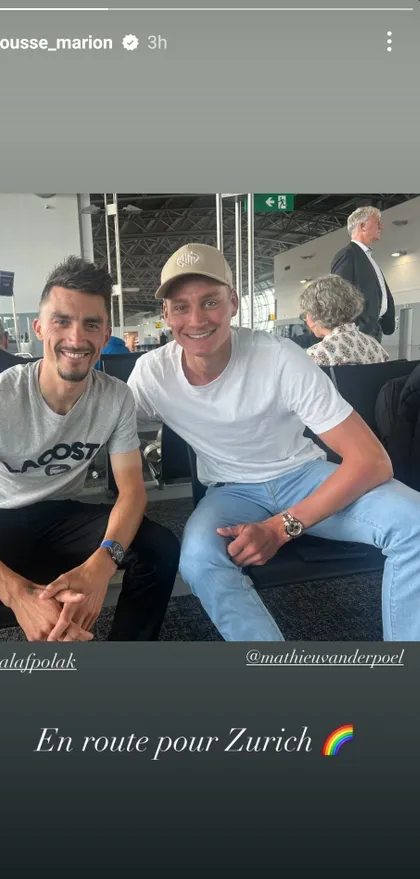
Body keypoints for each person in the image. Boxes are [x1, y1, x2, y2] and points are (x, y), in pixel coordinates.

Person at [127, 242, 420, 642]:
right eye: (180, 306)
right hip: (231, 493)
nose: (195, 320)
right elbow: (106, 425)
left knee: (414, 522)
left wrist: (282, 528)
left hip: (303, 475)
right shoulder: (151, 374)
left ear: (232, 302)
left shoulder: (278, 357)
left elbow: (372, 461)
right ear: (165, 314)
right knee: (198, 560)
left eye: (210, 302)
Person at [0, 256, 180, 642]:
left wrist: (102, 564)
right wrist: (19, 596)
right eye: (62, 321)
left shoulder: (116, 397)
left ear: (105, 333)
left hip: (62, 517)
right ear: (39, 328)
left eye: (91, 324)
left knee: (159, 547)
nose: (76, 338)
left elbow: (132, 492)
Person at [330, 206, 395, 341]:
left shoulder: (367, 258)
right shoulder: (348, 255)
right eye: (377, 222)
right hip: (360, 331)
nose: (381, 226)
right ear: (362, 226)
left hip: (373, 328)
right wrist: (358, 327)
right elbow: (338, 297)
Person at [300, 275, 390, 366]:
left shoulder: (318, 354)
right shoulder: (375, 346)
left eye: (306, 313)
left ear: (318, 313)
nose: (306, 320)